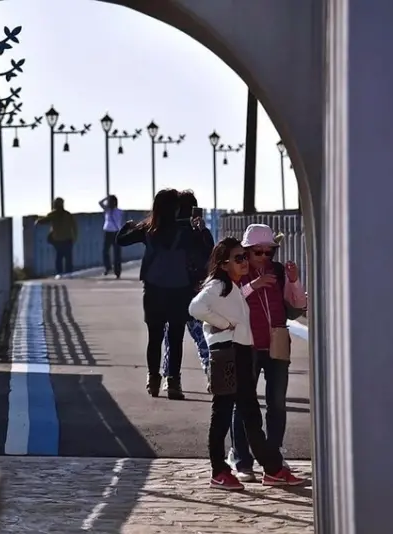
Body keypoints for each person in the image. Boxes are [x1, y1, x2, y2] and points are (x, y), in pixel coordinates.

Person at [189, 237, 307, 490]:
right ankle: (219, 470)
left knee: (251, 415)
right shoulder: (219, 285)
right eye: (239, 258)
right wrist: (223, 324)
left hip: (241, 353)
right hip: (226, 353)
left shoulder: (231, 285)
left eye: (245, 256)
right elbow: (195, 307)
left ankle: (272, 468)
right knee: (222, 413)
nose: (244, 262)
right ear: (223, 264)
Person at [227, 223, 308, 482]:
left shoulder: (279, 271)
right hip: (246, 345)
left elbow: (298, 304)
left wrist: (294, 281)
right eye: (257, 252)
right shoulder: (237, 271)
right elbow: (229, 300)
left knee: (277, 404)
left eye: (268, 252)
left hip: (276, 344)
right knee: (244, 405)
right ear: (246, 251)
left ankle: (273, 459)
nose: (263, 257)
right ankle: (242, 458)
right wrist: (255, 284)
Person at [116, 189, 209, 397]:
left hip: (153, 290)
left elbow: (121, 240)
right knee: (175, 338)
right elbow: (206, 252)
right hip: (179, 290)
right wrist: (200, 229)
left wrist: (128, 225)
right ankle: (174, 382)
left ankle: (153, 379)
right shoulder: (186, 231)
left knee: (154, 337)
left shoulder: (149, 229)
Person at [161, 190, 214, 398]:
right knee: (202, 336)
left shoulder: (170, 233)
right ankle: (211, 375)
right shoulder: (199, 232)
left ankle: (170, 378)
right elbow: (211, 257)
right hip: (195, 292)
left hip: (175, 293)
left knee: (171, 339)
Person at [35, 197, 78, 278]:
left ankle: (59, 273)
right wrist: (75, 236)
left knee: (59, 256)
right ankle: (69, 273)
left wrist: (38, 221)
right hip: (68, 239)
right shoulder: (68, 214)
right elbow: (74, 226)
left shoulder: (53, 214)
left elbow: (45, 220)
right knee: (68, 257)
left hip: (58, 239)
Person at [99, 194, 124, 278]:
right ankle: (114, 270)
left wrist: (106, 198)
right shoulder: (115, 211)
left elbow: (101, 203)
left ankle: (112, 269)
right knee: (112, 252)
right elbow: (100, 203)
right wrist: (108, 197)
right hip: (112, 232)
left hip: (112, 232)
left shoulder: (112, 210)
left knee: (110, 252)